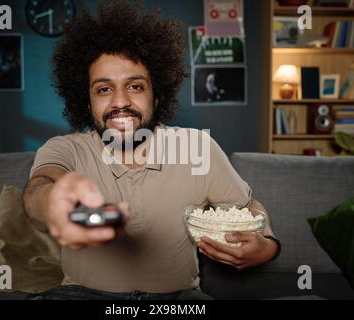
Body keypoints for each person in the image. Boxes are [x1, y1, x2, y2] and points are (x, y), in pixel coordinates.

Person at [23, 0, 280, 300]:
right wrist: (54, 203)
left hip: (177, 299)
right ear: (87, 102)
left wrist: (269, 245)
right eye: (104, 89)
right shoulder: (65, 149)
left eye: (135, 86)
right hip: (82, 294)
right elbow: (38, 190)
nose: (120, 102)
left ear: (157, 98)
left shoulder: (197, 147)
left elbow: (249, 209)